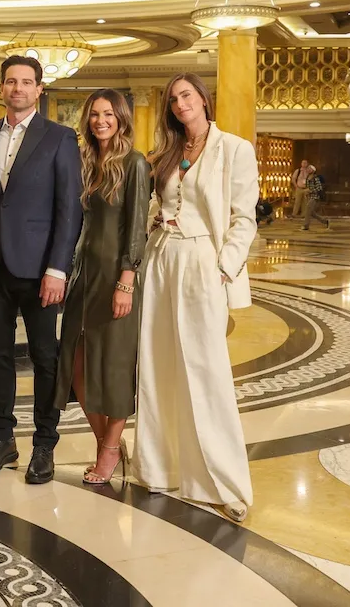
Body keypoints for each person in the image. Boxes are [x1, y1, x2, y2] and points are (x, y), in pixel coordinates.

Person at [135, 73, 259, 524]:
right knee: (159, 362)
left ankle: (224, 482)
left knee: (205, 368)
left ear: (204, 99)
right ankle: (161, 468)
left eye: (187, 95)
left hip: (203, 260)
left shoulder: (235, 149)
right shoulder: (169, 151)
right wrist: (152, 228)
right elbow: (158, 203)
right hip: (162, 260)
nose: (180, 103)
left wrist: (223, 266)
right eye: (173, 99)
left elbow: (245, 218)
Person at [0, 55, 82, 485]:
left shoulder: (60, 137)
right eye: (11, 81)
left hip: (39, 270)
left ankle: (44, 444)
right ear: (2, 88)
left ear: (39, 90)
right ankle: (2, 439)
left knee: (44, 357)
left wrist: (58, 268)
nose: (18, 89)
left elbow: (68, 209)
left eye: (27, 82)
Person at [54, 89, 149, 485]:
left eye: (108, 114)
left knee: (114, 364)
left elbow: (136, 224)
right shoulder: (86, 162)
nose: (100, 120)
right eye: (94, 114)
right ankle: (105, 441)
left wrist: (126, 280)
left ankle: (110, 446)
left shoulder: (135, 163)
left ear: (121, 117)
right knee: (76, 363)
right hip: (84, 275)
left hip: (116, 275)